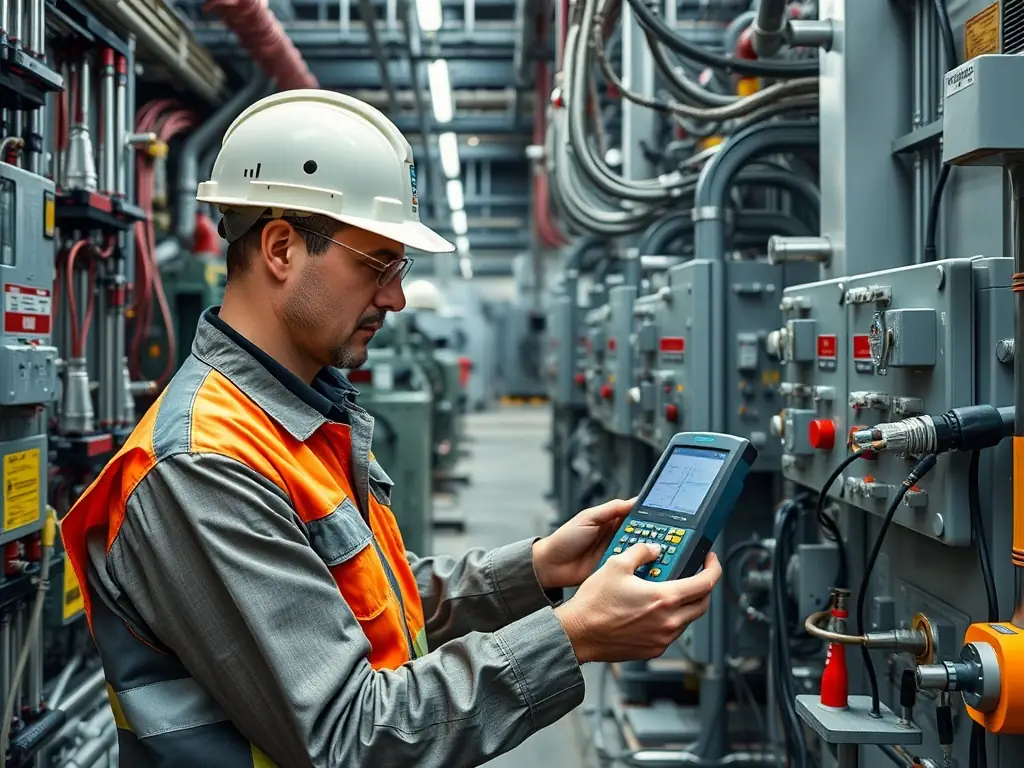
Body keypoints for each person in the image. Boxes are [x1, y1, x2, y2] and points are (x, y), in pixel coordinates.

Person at [61, 90, 722, 767]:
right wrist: (571, 635)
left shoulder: (295, 419)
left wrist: (539, 567)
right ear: (281, 248)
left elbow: (364, 603)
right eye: (377, 263)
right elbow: (348, 736)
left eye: (398, 269)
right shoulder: (205, 465)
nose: (396, 298)